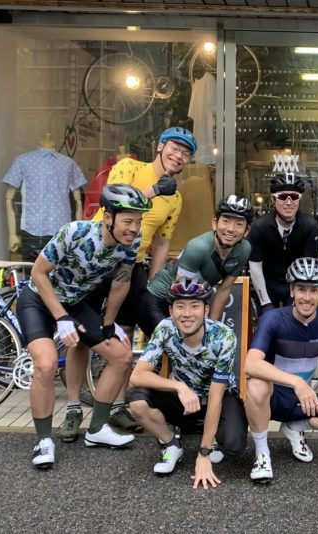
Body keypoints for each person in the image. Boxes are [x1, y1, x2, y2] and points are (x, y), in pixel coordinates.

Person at [60, 126, 198, 440]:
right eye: (174, 148)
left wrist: (151, 284)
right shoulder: (129, 168)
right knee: (82, 336)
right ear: (161, 147)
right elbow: (116, 203)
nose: (179, 156)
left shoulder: (174, 198)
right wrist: (154, 191)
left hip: (132, 266)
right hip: (95, 259)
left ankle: (120, 407)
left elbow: (162, 243)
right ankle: (71, 408)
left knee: (125, 336)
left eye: (185, 153)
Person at [17, 184, 151, 469]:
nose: (134, 228)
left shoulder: (131, 244)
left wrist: (109, 323)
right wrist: (61, 317)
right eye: (128, 221)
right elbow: (38, 274)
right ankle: (43, 440)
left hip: (76, 304)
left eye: (138, 222)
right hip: (39, 299)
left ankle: (98, 429)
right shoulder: (74, 233)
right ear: (108, 218)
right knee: (46, 364)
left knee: (121, 356)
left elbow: (120, 281)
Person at [243, 257, 318, 484]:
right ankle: (262, 453)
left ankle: (294, 427)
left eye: (313, 290)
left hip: (302, 399)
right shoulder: (273, 319)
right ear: (292, 291)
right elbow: (251, 363)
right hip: (273, 396)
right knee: (256, 385)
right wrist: (297, 383)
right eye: (301, 289)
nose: (307, 297)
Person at [128, 275, 247, 487]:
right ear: (171, 311)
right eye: (180, 306)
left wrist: (203, 453)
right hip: (184, 399)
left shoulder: (224, 337)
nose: (187, 313)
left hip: (217, 396)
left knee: (235, 445)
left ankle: (212, 439)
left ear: (206, 311)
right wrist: (178, 386)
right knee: (137, 402)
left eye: (194, 306)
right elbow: (137, 376)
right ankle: (170, 443)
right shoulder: (165, 328)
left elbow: (216, 396)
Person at [141, 195, 253, 335]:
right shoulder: (198, 247)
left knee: (195, 345)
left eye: (239, 224)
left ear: (246, 231)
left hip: (187, 302)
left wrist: (211, 326)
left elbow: (224, 289)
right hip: (159, 301)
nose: (230, 229)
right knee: (179, 347)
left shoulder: (244, 250)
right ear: (215, 223)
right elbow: (182, 291)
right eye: (225, 221)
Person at [248, 174, 318, 314]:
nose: (289, 202)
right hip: (268, 283)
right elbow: (255, 266)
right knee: (267, 319)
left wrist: (298, 300)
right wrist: (265, 302)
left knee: (295, 324)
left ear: (299, 200)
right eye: (282, 197)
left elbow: (308, 267)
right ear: (273, 199)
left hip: (296, 283)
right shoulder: (259, 227)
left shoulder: (310, 226)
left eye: (294, 197)